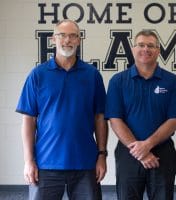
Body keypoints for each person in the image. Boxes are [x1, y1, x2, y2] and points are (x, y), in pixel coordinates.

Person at [16, 19, 108, 200]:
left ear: (79, 40)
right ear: (53, 39)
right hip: (45, 164)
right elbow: (29, 120)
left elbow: (100, 117)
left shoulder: (92, 75)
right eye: (62, 35)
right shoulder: (38, 75)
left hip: (85, 163)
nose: (68, 40)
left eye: (73, 36)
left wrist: (102, 155)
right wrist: (28, 161)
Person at [105, 30, 176, 200]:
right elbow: (115, 120)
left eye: (151, 45)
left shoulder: (172, 81)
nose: (145, 49)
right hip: (129, 153)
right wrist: (140, 151)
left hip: (162, 153)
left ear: (158, 51)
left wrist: (147, 145)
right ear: (133, 49)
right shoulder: (118, 81)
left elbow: (174, 120)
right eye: (141, 45)